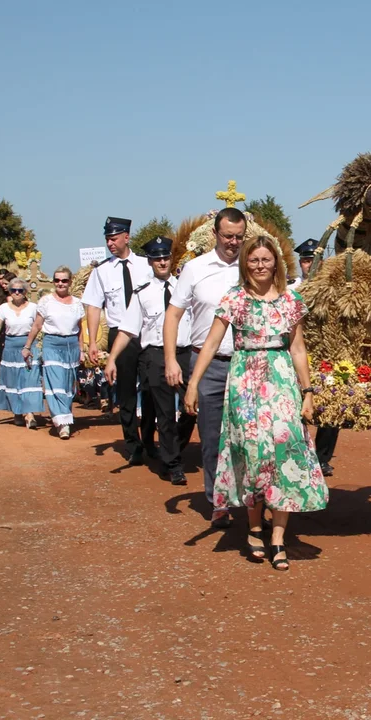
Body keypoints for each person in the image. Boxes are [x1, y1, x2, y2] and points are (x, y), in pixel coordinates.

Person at [184, 234, 327, 571]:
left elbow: (298, 349)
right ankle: (254, 527)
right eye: (254, 260)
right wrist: (193, 384)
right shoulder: (233, 299)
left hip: (281, 382)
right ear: (245, 264)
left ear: (276, 262)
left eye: (266, 259)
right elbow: (210, 344)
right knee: (252, 453)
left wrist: (307, 393)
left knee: (284, 453)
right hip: (245, 380)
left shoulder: (291, 300)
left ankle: (278, 537)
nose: (260, 266)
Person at [164, 207, 245, 528]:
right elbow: (173, 315)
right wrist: (171, 359)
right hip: (205, 364)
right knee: (211, 436)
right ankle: (219, 502)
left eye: (239, 237)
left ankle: (254, 500)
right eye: (228, 236)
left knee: (248, 436)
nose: (233, 243)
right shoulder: (195, 269)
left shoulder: (254, 266)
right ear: (215, 234)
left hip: (247, 364)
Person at [107, 237, 196, 483]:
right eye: (157, 258)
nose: (162, 262)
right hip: (155, 355)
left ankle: (173, 444)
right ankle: (173, 464)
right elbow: (127, 329)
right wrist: (112, 358)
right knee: (164, 411)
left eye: (166, 257)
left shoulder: (184, 288)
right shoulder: (142, 293)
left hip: (185, 352)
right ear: (150, 261)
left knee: (193, 406)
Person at [83, 216, 156, 465]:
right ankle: (132, 443)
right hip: (118, 335)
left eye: (113, 238)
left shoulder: (147, 265)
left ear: (127, 237)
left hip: (146, 333)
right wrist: (93, 341)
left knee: (150, 389)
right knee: (125, 392)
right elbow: (93, 306)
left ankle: (148, 439)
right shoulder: (102, 271)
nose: (109, 243)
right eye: (107, 239)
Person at [289, 238, 341, 476]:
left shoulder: (333, 291)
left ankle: (322, 458)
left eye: (315, 261)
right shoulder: (290, 291)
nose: (310, 265)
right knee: (293, 407)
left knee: (331, 409)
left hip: (326, 356)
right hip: (297, 355)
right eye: (307, 260)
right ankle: (296, 453)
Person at [23, 266, 86, 439]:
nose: (60, 283)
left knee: (67, 385)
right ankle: (62, 423)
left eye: (64, 280)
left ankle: (65, 415)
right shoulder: (46, 301)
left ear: (70, 282)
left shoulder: (77, 304)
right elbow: (37, 325)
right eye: (57, 280)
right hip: (52, 344)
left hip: (71, 345)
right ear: (53, 282)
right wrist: (27, 346)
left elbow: (80, 329)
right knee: (55, 382)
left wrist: (81, 350)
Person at [0, 278, 42, 428]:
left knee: (30, 380)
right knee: (14, 381)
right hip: (10, 347)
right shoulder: (3, 308)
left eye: (20, 290)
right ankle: (17, 412)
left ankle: (29, 414)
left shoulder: (34, 308)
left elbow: (40, 327)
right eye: (14, 290)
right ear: (9, 291)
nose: (17, 293)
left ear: (25, 292)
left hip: (29, 346)